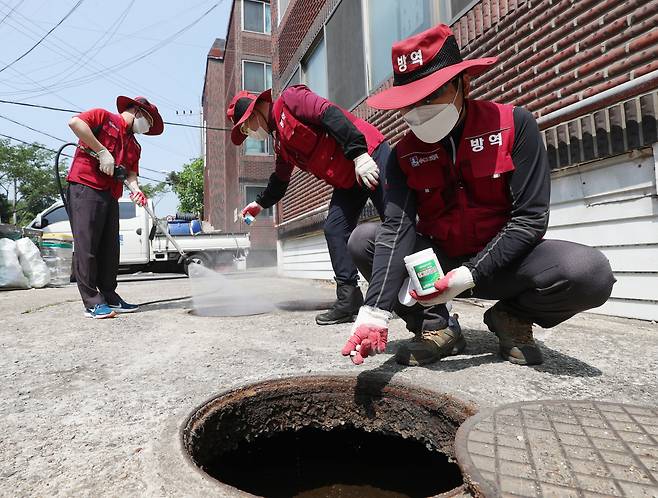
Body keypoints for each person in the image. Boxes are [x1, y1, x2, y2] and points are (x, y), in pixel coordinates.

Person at [341, 24, 615, 366]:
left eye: (431, 96)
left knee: (589, 272)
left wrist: (470, 274)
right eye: (410, 103)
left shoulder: (514, 124)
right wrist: (374, 312)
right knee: (365, 239)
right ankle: (436, 327)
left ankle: (511, 317)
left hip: (506, 263)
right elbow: (397, 228)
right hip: (439, 266)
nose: (420, 111)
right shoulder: (402, 155)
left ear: (463, 84)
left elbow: (530, 219)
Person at [227, 85, 391, 325]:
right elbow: (280, 180)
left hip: (369, 156)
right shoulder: (281, 144)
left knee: (396, 223)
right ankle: (349, 298)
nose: (249, 133)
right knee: (334, 229)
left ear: (256, 111)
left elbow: (330, 114)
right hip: (348, 181)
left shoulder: (291, 100)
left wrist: (359, 154)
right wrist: (260, 204)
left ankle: (424, 293)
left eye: (246, 126)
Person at [66, 96, 164, 319]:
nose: (147, 127)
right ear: (137, 111)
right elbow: (75, 123)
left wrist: (136, 189)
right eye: (148, 121)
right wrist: (101, 151)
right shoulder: (103, 117)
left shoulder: (134, 144)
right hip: (85, 186)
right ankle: (91, 301)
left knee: (110, 248)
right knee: (87, 245)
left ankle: (109, 294)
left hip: (111, 194)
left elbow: (130, 174)